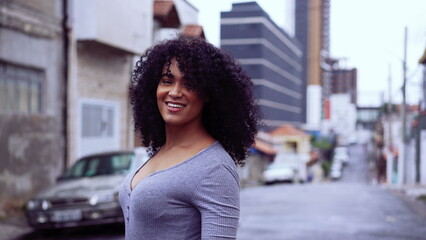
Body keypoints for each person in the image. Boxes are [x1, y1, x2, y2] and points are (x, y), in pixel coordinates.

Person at [119, 37, 259, 240]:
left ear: (209, 93)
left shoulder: (215, 168)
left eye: (190, 84)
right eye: (167, 81)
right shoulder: (159, 152)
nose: (175, 92)